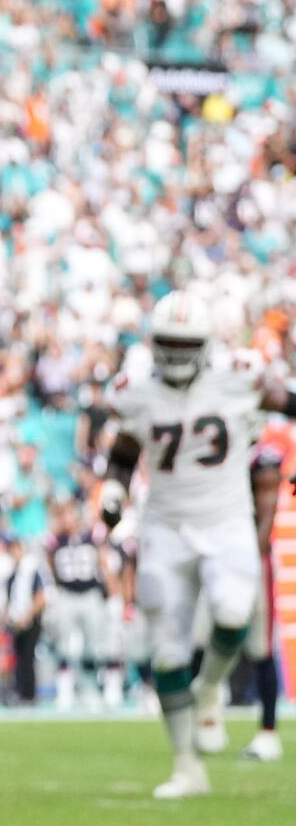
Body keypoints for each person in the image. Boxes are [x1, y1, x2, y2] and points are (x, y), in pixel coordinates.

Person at [100, 291, 296, 797]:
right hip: (164, 524)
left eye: (185, 343)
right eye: (168, 343)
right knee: (167, 651)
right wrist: (115, 488)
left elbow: (289, 402)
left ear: (206, 344)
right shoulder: (136, 389)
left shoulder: (239, 374)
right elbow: (124, 449)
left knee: (234, 613)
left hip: (228, 517)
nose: (176, 353)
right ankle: (186, 766)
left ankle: (209, 690)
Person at [44, 499, 117, 709]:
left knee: (94, 644)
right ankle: (65, 690)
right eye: (62, 514)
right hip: (66, 593)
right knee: (64, 643)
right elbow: (50, 570)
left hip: (90, 593)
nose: (66, 519)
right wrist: (53, 594)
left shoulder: (91, 536)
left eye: (69, 513)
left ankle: (89, 688)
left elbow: (104, 564)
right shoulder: (55, 540)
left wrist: (113, 596)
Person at [243, 442, 284, 761]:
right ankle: (203, 717)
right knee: (199, 640)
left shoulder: (261, 456)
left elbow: (267, 510)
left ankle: (268, 732)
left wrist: (245, 558)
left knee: (261, 648)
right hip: (212, 554)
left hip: (250, 559)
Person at [3, 534, 47, 706]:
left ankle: (29, 694)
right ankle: (20, 691)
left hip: (30, 620)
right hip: (16, 622)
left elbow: (41, 596)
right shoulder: (14, 573)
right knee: (18, 659)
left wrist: (27, 615)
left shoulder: (31, 569)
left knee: (27, 658)